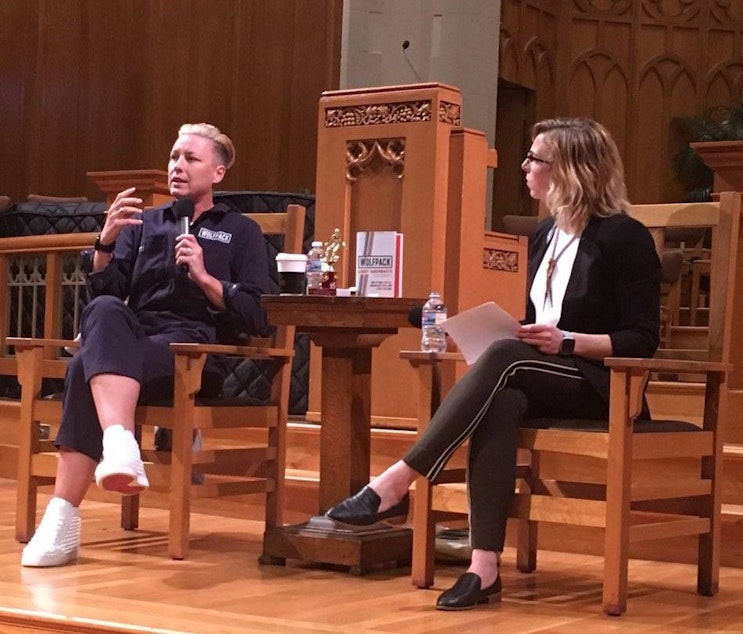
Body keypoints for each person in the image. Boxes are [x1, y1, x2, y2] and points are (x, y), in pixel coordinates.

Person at [326, 117, 661, 610]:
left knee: (504, 358)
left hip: (605, 383)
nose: (525, 167)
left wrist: (568, 341)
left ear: (571, 169)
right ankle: (483, 568)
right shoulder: (548, 234)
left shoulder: (624, 237)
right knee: (501, 401)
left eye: (535, 158)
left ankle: (396, 480)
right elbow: (536, 322)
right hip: (548, 373)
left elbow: (642, 339)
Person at [21, 123, 272, 567]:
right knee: (102, 313)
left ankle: (62, 519)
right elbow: (107, 289)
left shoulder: (241, 231)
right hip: (135, 340)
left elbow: (259, 315)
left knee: (83, 369)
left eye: (190, 159)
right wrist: (106, 242)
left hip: (193, 352)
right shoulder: (146, 222)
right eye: (174, 156)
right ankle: (120, 443)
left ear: (218, 172)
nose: (177, 166)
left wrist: (207, 279)